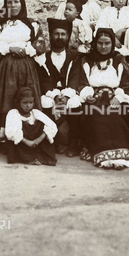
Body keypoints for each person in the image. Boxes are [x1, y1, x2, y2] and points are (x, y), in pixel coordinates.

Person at [76, 28, 129, 170]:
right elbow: (81, 81)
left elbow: (127, 82)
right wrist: (87, 94)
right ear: (95, 43)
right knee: (97, 114)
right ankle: (101, 154)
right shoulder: (87, 59)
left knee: (115, 113)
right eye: (100, 43)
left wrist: (119, 97)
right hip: (94, 97)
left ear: (112, 44)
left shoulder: (118, 59)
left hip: (115, 96)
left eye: (107, 43)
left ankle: (121, 154)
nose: (103, 47)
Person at [0, 0, 43, 132]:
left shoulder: (32, 24)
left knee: (27, 99)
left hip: (26, 66)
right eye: (9, 2)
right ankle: (8, 136)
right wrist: (10, 48)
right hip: (6, 67)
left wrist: (25, 49)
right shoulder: (0, 25)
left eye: (16, 2)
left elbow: (40, 44)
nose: (13, 5)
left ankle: (29, 133)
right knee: (8, 99)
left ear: (22, 3)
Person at [38, 18, 81, 157]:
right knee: (45, 102)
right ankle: (54, 142)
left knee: (75, 103)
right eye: (56, 34)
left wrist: (66, 96)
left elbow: (75, 77)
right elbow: (44, 79)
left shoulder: (74, 57)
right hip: (51, 94)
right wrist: (55, 96)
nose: (59, 37)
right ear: (50, 36)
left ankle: (73, 143)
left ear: (68, 36)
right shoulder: (43, 57)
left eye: (63, 34)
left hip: (69, 93)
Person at [5, 87, 58, 166]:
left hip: (36, 143)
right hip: (23, 144)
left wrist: (37, 140)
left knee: (42, 125)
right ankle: (26, 158)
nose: (28, 105)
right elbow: (10, 133)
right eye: (25, 103)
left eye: (31, 102)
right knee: (16, 133)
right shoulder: (13, 113)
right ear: (18, 102)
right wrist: (28, 142)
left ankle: (38, 157)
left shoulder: (35, 113)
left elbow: (52, 126)